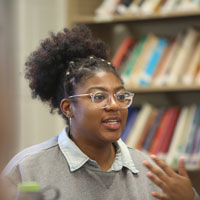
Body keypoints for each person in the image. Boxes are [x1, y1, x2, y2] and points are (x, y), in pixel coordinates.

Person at [1, 24, 199, 200]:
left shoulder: (152, 172)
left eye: (120, 96)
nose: (114, 105)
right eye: (99, 97)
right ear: (68, 108)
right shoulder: (28, 168)